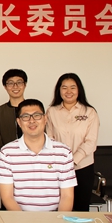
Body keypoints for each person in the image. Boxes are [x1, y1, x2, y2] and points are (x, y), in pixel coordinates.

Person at [46, 73, 100, 212]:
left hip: (83, 167)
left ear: (79, 89)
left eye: (72, 87)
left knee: (80, 209)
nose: (68, 91)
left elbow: (91, 141)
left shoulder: (89, 112)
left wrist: (72, 161)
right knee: (58, 208)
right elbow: (49, 139)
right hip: (58, 168)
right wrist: (62, 161)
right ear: (59, 90)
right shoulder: (51, 112)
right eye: (64, 87)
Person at [0, 68, 27, 158]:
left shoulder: (34, 110)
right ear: (5, 86)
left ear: (25, 85)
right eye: (10, 83)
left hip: (33, 161)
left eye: (19, 82)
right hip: (6, 161)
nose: (15, 86)